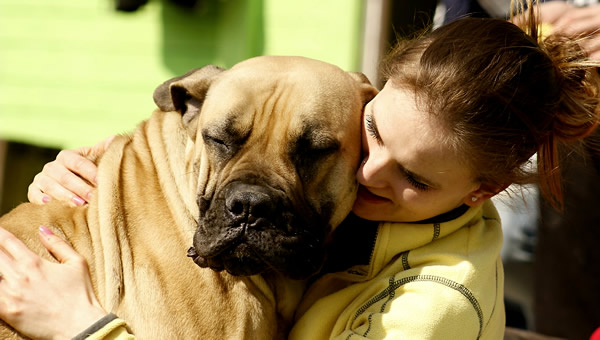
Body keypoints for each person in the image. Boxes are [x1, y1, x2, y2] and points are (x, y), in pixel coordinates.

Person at [2, 1, 600, 338]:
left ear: (481, 191)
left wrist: (80, 328)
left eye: (310, 153)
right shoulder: (159, 156)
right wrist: (71, 174)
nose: (371, 175)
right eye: (371, 138)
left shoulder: (428, 308)